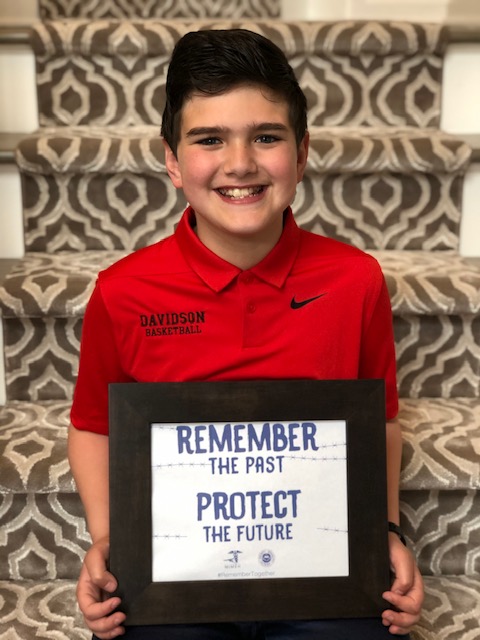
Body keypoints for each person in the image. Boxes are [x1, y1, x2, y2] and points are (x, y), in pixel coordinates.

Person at [68, 28, 424, 640]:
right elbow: (94, 427)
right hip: (175, 573)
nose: (240, 164)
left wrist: (384, 531)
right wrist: (109, 540)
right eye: (210, 139)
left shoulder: (355, 280)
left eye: (266, 137)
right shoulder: (124, 290)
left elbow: (379, 420)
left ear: (303, 152)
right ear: (174, 161)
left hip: (321, 570)